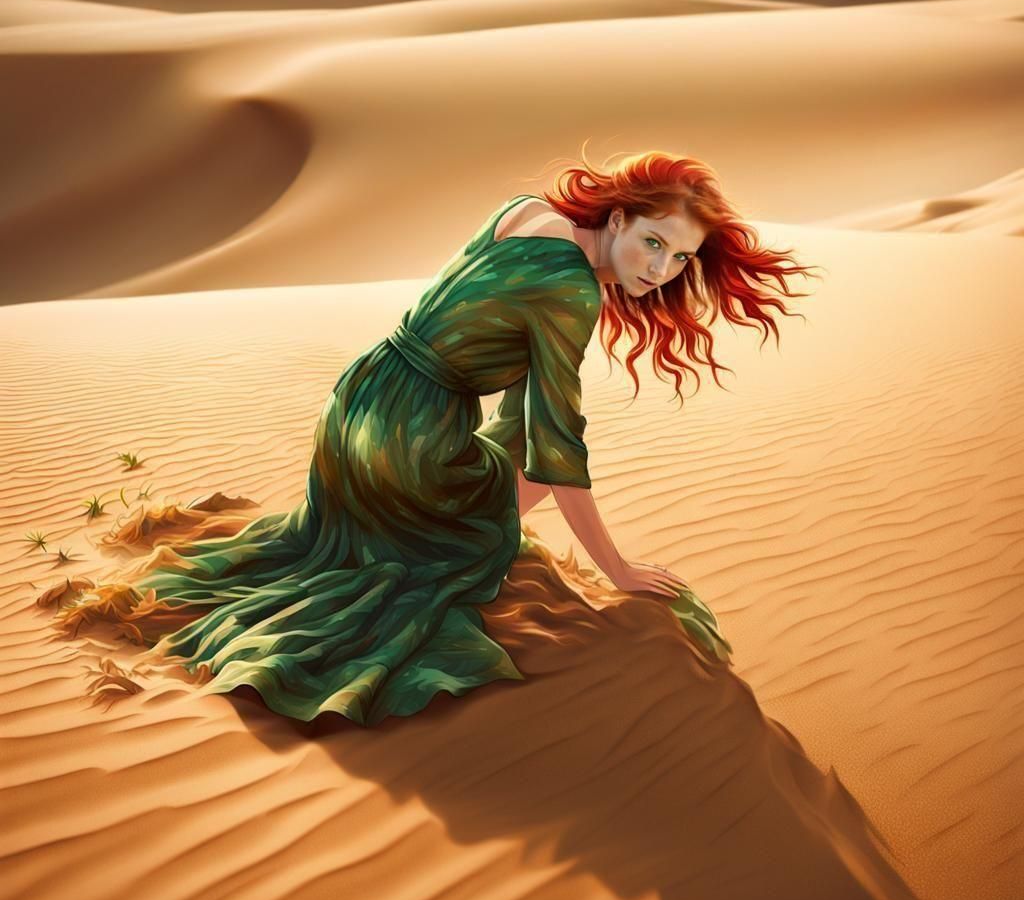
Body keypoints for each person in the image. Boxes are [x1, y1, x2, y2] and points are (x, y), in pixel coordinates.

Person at [57, 148, 819, 727]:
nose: (663, 269)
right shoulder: (570, 289)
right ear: (618, 217)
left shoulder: (525, 213)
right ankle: (464, 538)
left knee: (509, 445)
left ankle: (456, 527)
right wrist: (614, 567)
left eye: (681, 257)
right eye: (654, 242)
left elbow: (496, 351)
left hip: (359, 403)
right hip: (413, 437)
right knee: (501, 503)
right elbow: (558, 445)